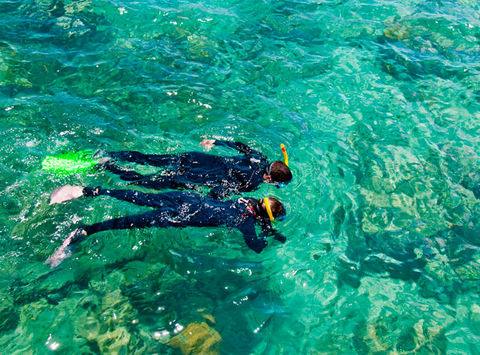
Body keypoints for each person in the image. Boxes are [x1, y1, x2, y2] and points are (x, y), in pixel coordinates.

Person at [46, 185, 287, 267]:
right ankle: (86, 231)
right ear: (263, 217)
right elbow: (255, 246)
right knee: (130, 222)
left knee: (139, 196)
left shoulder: (245, 201)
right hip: (183, 214)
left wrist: (266, 223)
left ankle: (88, 191)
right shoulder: (246, 222)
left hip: (189, 198)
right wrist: (270, 235)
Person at [100, 139, 292, 199]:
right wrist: (203, 198)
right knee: (145, 181)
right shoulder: (252, 183)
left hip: (195, 158)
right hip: (193, 176)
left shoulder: (259, 157)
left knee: (149, 159)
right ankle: (108, 166)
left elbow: (240, 146)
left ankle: (110, 154)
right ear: (268, 178)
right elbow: (220, 192)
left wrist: (216, 142)